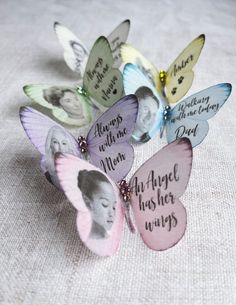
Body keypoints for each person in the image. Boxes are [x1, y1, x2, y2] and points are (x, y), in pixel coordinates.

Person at [77, 170, 117, 240]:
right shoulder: (87, 235)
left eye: (114, 207)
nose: (112, 214)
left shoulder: (110, 236)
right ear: (87, 201)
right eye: (105, 204)